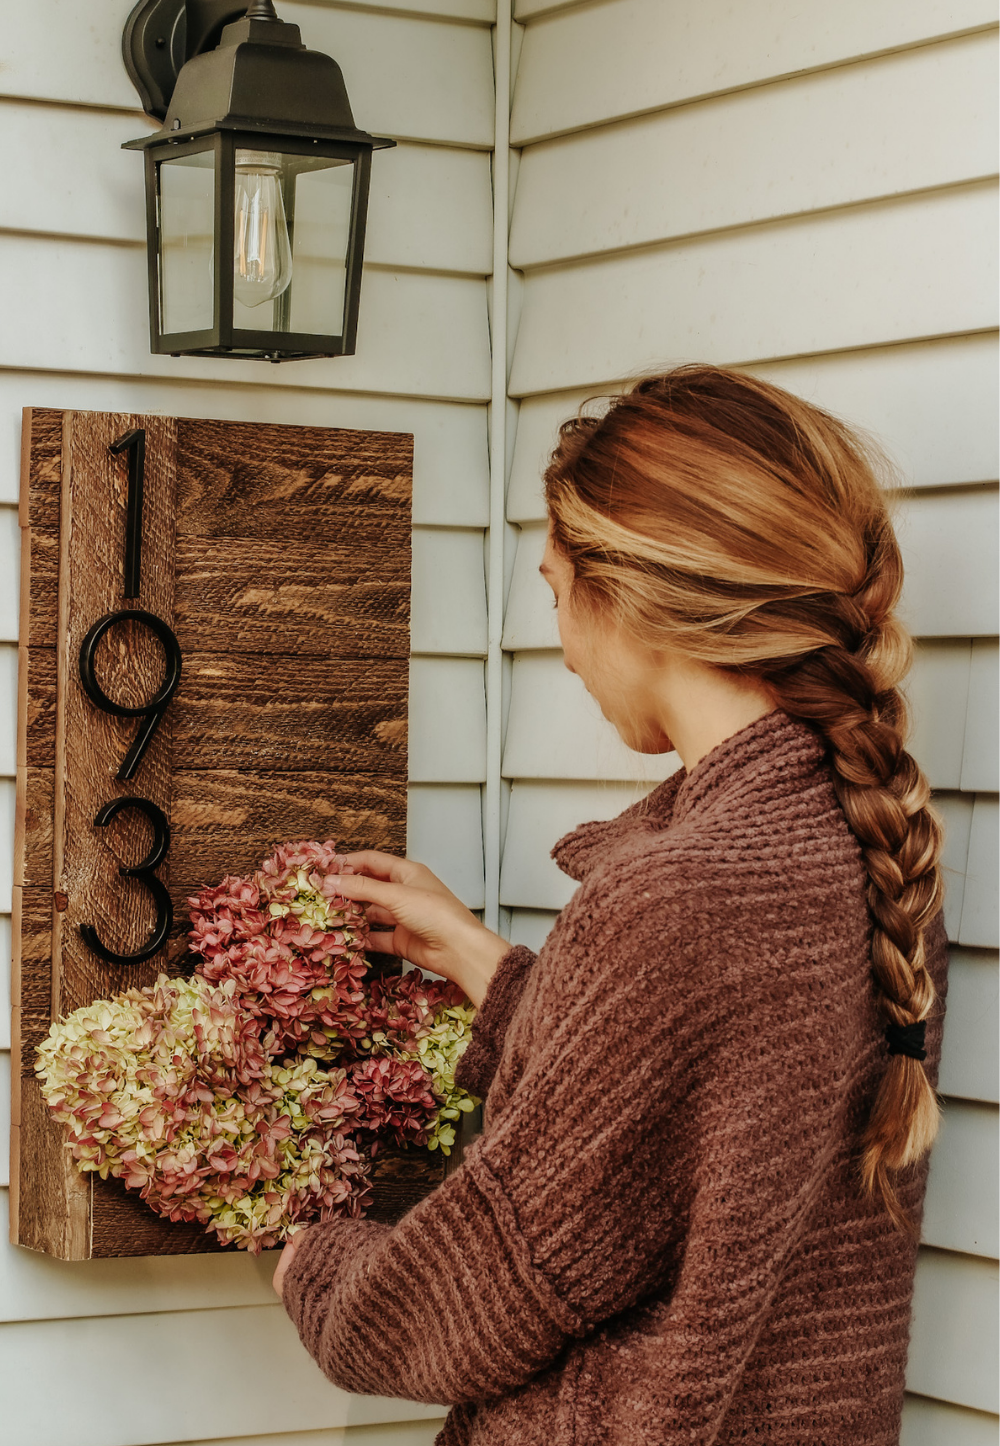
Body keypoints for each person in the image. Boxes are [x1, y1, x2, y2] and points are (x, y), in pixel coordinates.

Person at [273, 365, 947, 1444]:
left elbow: (491, 1283)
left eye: (554, 591)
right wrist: (487, 968)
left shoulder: (680, 894)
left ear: (633, 593)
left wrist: (321, 1265)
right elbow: (701, 1112)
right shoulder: (856, 837)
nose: (562, 643)